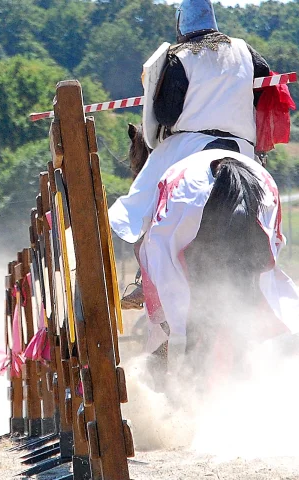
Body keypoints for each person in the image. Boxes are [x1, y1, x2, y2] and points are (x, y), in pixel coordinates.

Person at [110, 0, 270, 305]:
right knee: (264, 198)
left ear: (181, 23)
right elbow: (261, 90)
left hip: (188, 146)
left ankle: (146, 281)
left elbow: (166, 116)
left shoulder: (179, 56)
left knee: (143, 203)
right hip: (243, 148)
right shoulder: (246, 51)